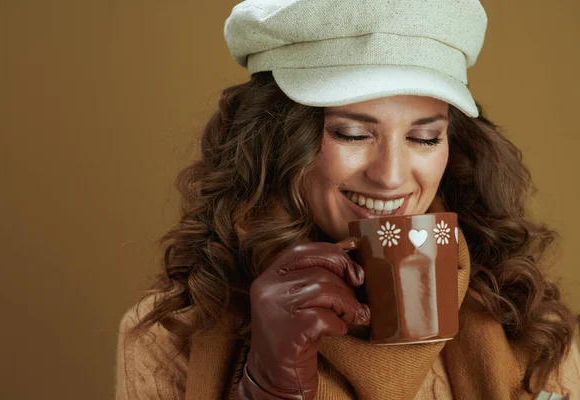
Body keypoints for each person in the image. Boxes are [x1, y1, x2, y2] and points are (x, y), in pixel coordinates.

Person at [115, 0, 580, 399]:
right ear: (275, 140)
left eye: (424, 137)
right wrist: (266, 386)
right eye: (352, 133)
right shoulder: (168, 336)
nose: (391, 176)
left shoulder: (532, 323)